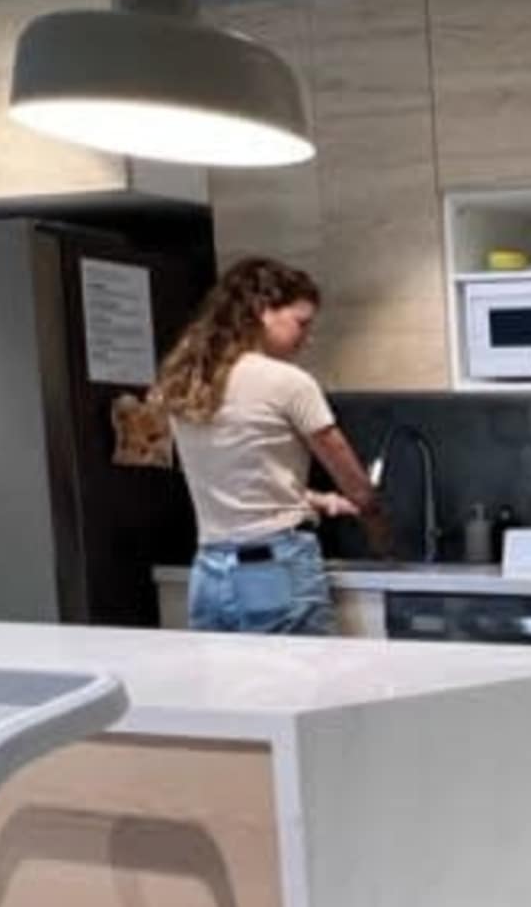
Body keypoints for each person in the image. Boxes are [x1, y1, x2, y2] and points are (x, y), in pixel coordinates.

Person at [150, 257, 382, 635]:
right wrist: (373, 513)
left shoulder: (189, 383)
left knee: (227, 691)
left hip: (209, 572)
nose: (306, 337)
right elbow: (344, 466)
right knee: (304, 689)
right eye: (301, 323)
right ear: (261, 311)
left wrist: (318, 500)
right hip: (273, 567)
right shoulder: (287, 382)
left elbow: (238, 480)